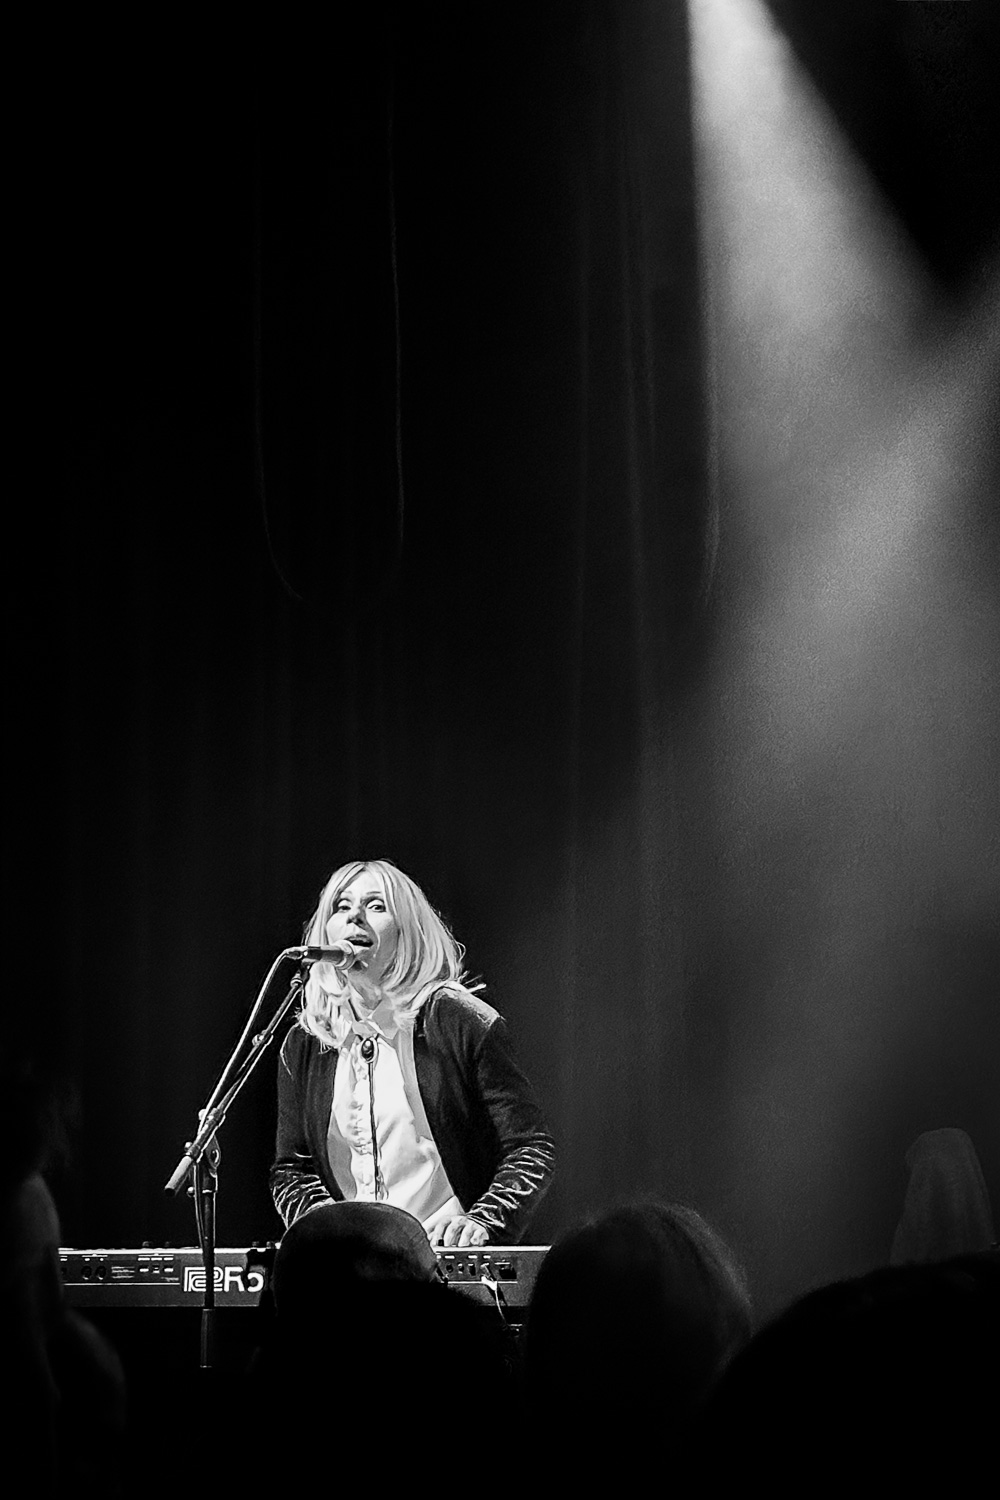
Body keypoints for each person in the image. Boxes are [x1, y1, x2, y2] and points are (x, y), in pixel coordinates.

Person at [270, 859, 555, 1248]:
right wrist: (328, 1231)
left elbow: (530, 1148)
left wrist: (483, 1221)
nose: (355, 916)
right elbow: (292, 1170)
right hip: (348, 1267)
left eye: (376, 905)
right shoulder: (307, 1041)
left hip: (441, 1260)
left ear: (408, 931)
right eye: (341, 905)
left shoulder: (460, 1020)